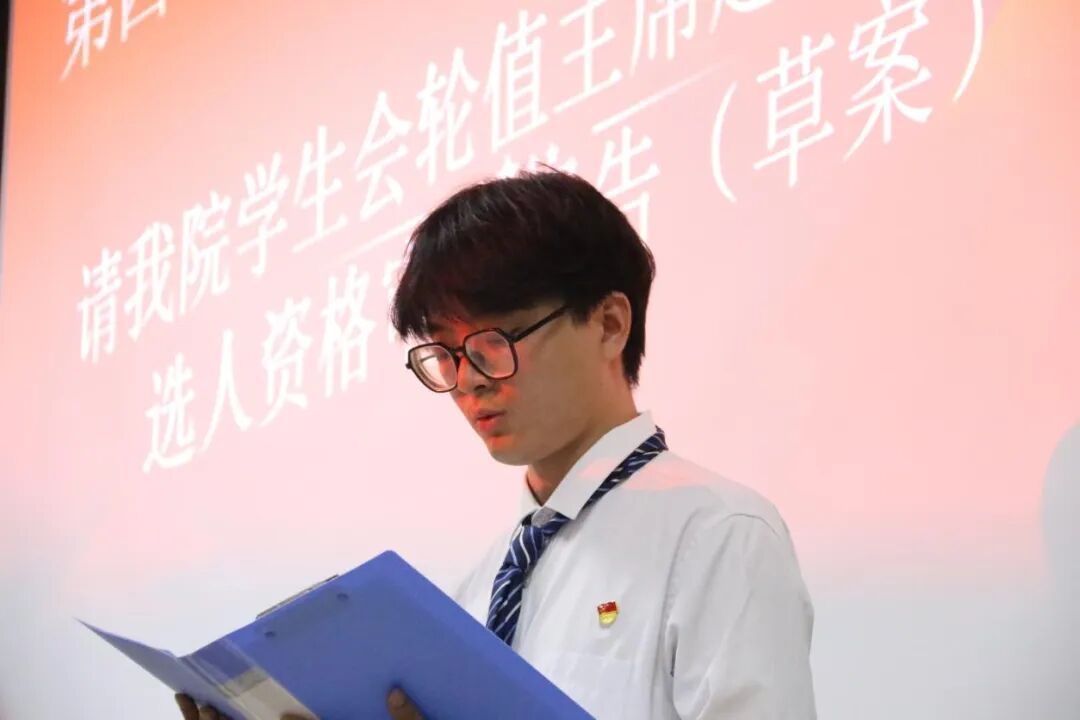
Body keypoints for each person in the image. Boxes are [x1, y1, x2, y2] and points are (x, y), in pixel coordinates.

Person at [176, 169, 816, 720]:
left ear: (609, 323)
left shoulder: (719, 534)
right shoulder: (469, 595)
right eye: (446, 353)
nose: (469, 380)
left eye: (493, 342)